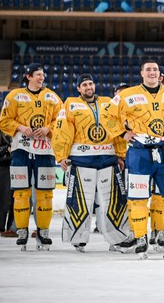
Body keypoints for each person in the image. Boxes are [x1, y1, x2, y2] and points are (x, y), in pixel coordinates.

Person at [101, 59, 164, 259]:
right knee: (138, 198)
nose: (152, 72)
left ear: (159, 74)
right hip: (139, 152)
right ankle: (141, 238)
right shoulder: (127, 94)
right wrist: (122, 133)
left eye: (155, 69)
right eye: (148, 69)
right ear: (142, 73)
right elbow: (106, 114)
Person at [52, 74, 129, 252]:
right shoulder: (70, 103)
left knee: (113, 201)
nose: (89, 87)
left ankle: (117, 239)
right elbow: (62, 130)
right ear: (79, 88)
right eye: (85, 84)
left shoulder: (107, 102)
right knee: (80, 201)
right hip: (81, 159)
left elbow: (116, 128)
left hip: (107, 158)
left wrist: (120, 154)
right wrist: (62, 155)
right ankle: (78, 238)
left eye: (91, 84)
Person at [0, 63, 62, 250]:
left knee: (45, 194)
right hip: (21, 150)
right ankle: (22, 230)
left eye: (43, 74)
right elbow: (4, 120)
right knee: (21, 193)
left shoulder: (52, 96)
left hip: (45, 150)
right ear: (29, 76)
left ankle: (43, 231)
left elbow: (62, 119)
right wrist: (21, 127)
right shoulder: (15, 96)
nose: (41, 77)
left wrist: (48, 128)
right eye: (37, 75)